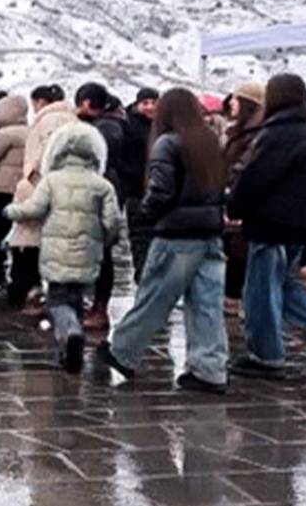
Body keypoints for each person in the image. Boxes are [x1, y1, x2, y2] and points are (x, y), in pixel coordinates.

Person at [98, 88, 229, 393]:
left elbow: (161, 190)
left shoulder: (167, 143)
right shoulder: (209, 141)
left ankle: (123, 351)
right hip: (209, 235)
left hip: (176, 236)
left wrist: (146, 212)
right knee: (206, 304)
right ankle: (210, 370)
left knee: (154, 296)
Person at [229, 73, 306, 377]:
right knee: (284, 285)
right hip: (301, 223)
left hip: (272, 223)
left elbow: (256, 177)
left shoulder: (280, 133)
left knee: (261, 291)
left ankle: (267, 355)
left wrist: (235, 205)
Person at [5, 122, 124, 372]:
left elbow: (34, 209)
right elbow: (113, 221)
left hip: (56, 253)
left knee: (57, 301)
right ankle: (71, 341)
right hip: (89, 253)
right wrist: (106, 239)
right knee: (77, 298)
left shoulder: (52, 181)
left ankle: (70, 334)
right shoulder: (102, 185)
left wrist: (11, 211)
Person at [8, 84, 77, 314]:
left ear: (40, 102)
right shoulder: (73, 120)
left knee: (28, 241)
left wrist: (31, 180)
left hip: (42, 188)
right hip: (70, 189)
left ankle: (29, 293)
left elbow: (45, 156)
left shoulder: (48, 121)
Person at [73, 83, 130, 330]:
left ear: (86, 103)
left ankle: (99, 308)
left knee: (101, 252)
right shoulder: (114, 124)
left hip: (100, 195)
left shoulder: (105, 130)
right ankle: (95, 304)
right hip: (109, 192)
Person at [220, 81, 266, 310]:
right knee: (233, 250)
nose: (231, 103)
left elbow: (245, 167)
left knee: (241, 252)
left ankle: (236, 298)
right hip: (233, 199)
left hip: (244, 202)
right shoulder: (237, 130)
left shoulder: (256, 134)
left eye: (236, 99)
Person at [0, 94, 29, 293]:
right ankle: (20, 278)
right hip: (22, 191)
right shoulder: (29, 132)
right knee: (19, 235)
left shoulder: (4, 135)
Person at [122, 87, 160, 280]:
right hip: (136, 190)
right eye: (146, 103)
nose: (150, 107)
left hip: (158, 191)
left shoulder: (163, 127)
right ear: (137, 105)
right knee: (140, 237)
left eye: (154, 102)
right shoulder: (130, 127)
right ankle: (143, 276)